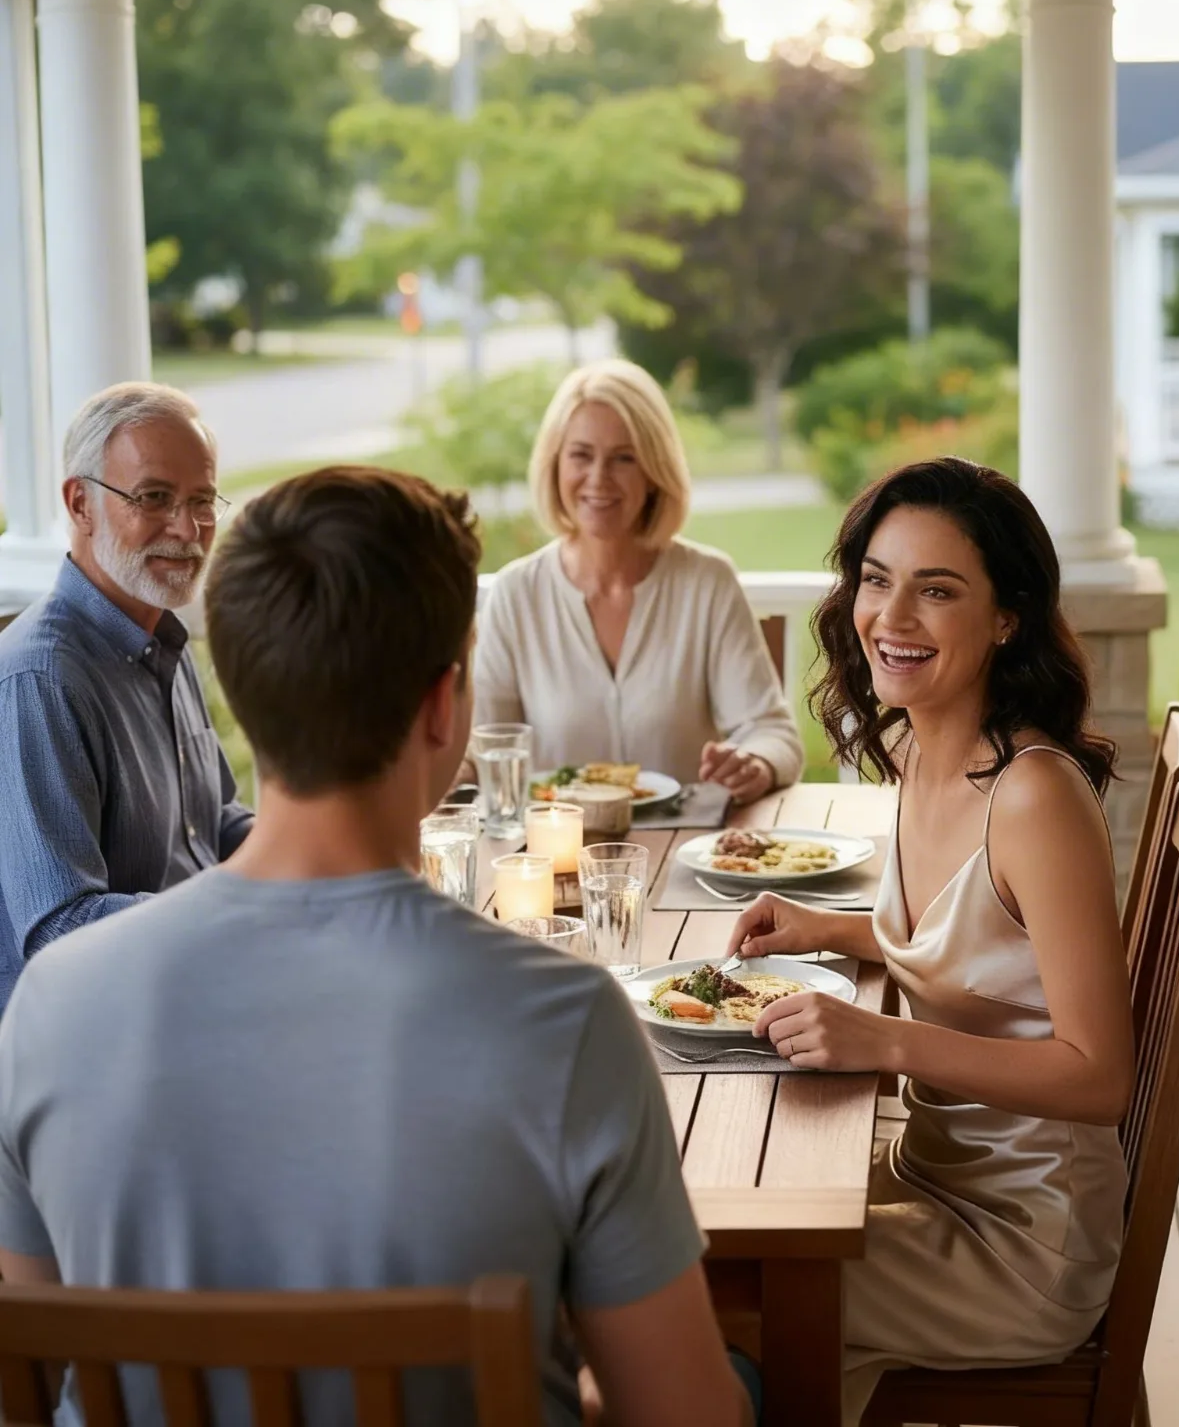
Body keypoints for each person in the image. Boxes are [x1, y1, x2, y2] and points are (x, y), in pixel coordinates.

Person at [0, 466, 752, 1427]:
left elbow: (45, 1375)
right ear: (444, 706)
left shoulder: (49, 1005)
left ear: (241, 687)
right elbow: (683, 1417)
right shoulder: (564, 1023)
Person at [726, 457, 1135, 1424]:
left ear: (1006, 617)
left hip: (1022, 1242)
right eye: (877, 579)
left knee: (710, 1294)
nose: (891, 617)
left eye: (937, 590)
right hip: (927, 1173)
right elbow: (976, 946)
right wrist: (828, 928)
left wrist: (888, 1041)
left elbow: (1100, 1075)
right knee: (705, 1235)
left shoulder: (1034, 798)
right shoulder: (921, 748)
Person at [0, 381, 252, 1012]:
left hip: (194, 986)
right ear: (80, 503)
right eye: (154, 497)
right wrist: (243, 915)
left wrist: (327, 850)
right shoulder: (42, 681)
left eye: (202, 500)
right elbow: (61, 929)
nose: (188, 528)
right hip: (102, 1042)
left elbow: (212, 826)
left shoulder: (162, 633)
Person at [473, 359, 801, 804]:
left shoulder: (707, 583)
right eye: (581, 455)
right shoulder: (516, 593)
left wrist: (755, 764)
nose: (598, 479)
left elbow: (771, 733)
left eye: (624, 458)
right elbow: (486, 746)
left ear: (653, 471)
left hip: (687, 854)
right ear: (555, 464)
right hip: (555, 856)